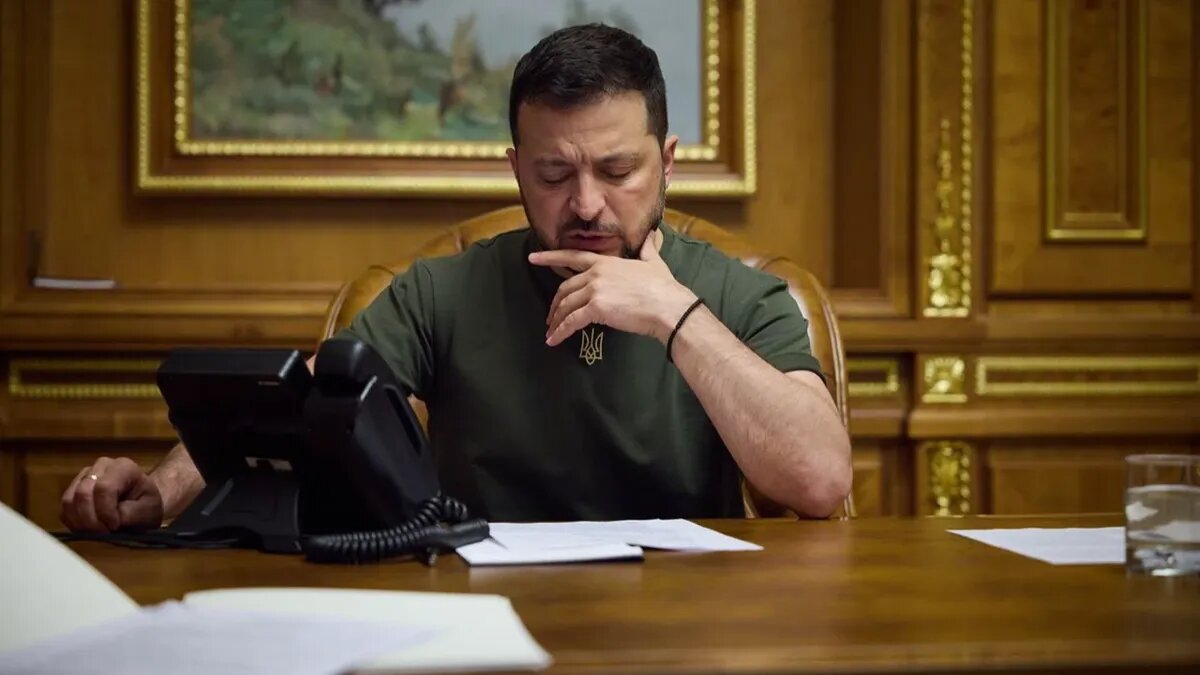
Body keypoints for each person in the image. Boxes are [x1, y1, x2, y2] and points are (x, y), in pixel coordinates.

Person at [60, 24, 851, 531]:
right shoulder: (441, 293)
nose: (586, 204)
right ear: (515, 169)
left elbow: (819, 480)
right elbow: (295, 402)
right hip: (485, 611)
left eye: (618, 171)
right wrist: (161, 489)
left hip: (689, 621)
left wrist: (676, 318)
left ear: (668, 163)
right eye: (553, 174)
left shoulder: (742, 293)